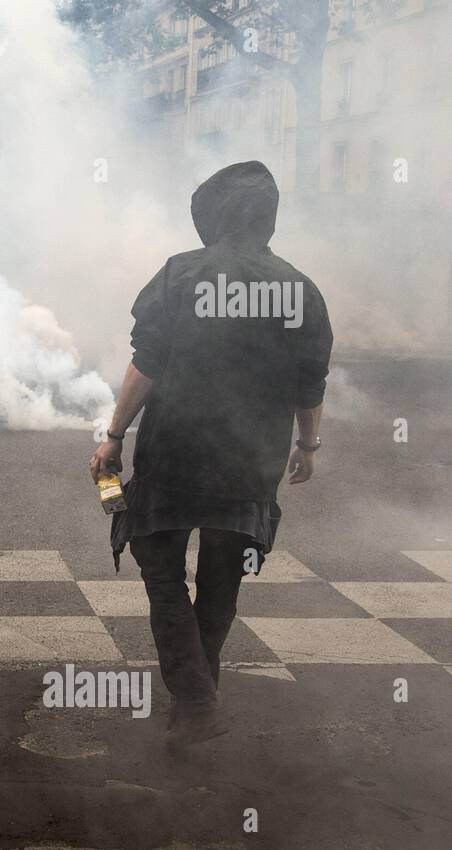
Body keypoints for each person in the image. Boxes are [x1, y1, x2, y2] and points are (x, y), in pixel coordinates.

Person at [89, 161, 332, 750]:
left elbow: (147, 359)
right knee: (222, 581)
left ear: (212, 215)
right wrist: (307, 445)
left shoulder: (180, 274)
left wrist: (115, 435)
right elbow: (310, 380)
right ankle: (197, 704)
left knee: (163, 576)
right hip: (249, 461)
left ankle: (195, 701)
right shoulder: (298, 288)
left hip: (174, 452)